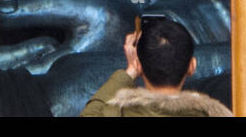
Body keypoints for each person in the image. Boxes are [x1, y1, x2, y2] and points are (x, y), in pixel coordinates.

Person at [81, 16, 233, 118]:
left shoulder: (117, 113)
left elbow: (90, 112)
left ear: (140, 65)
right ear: (191, 66)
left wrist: (130, 71)